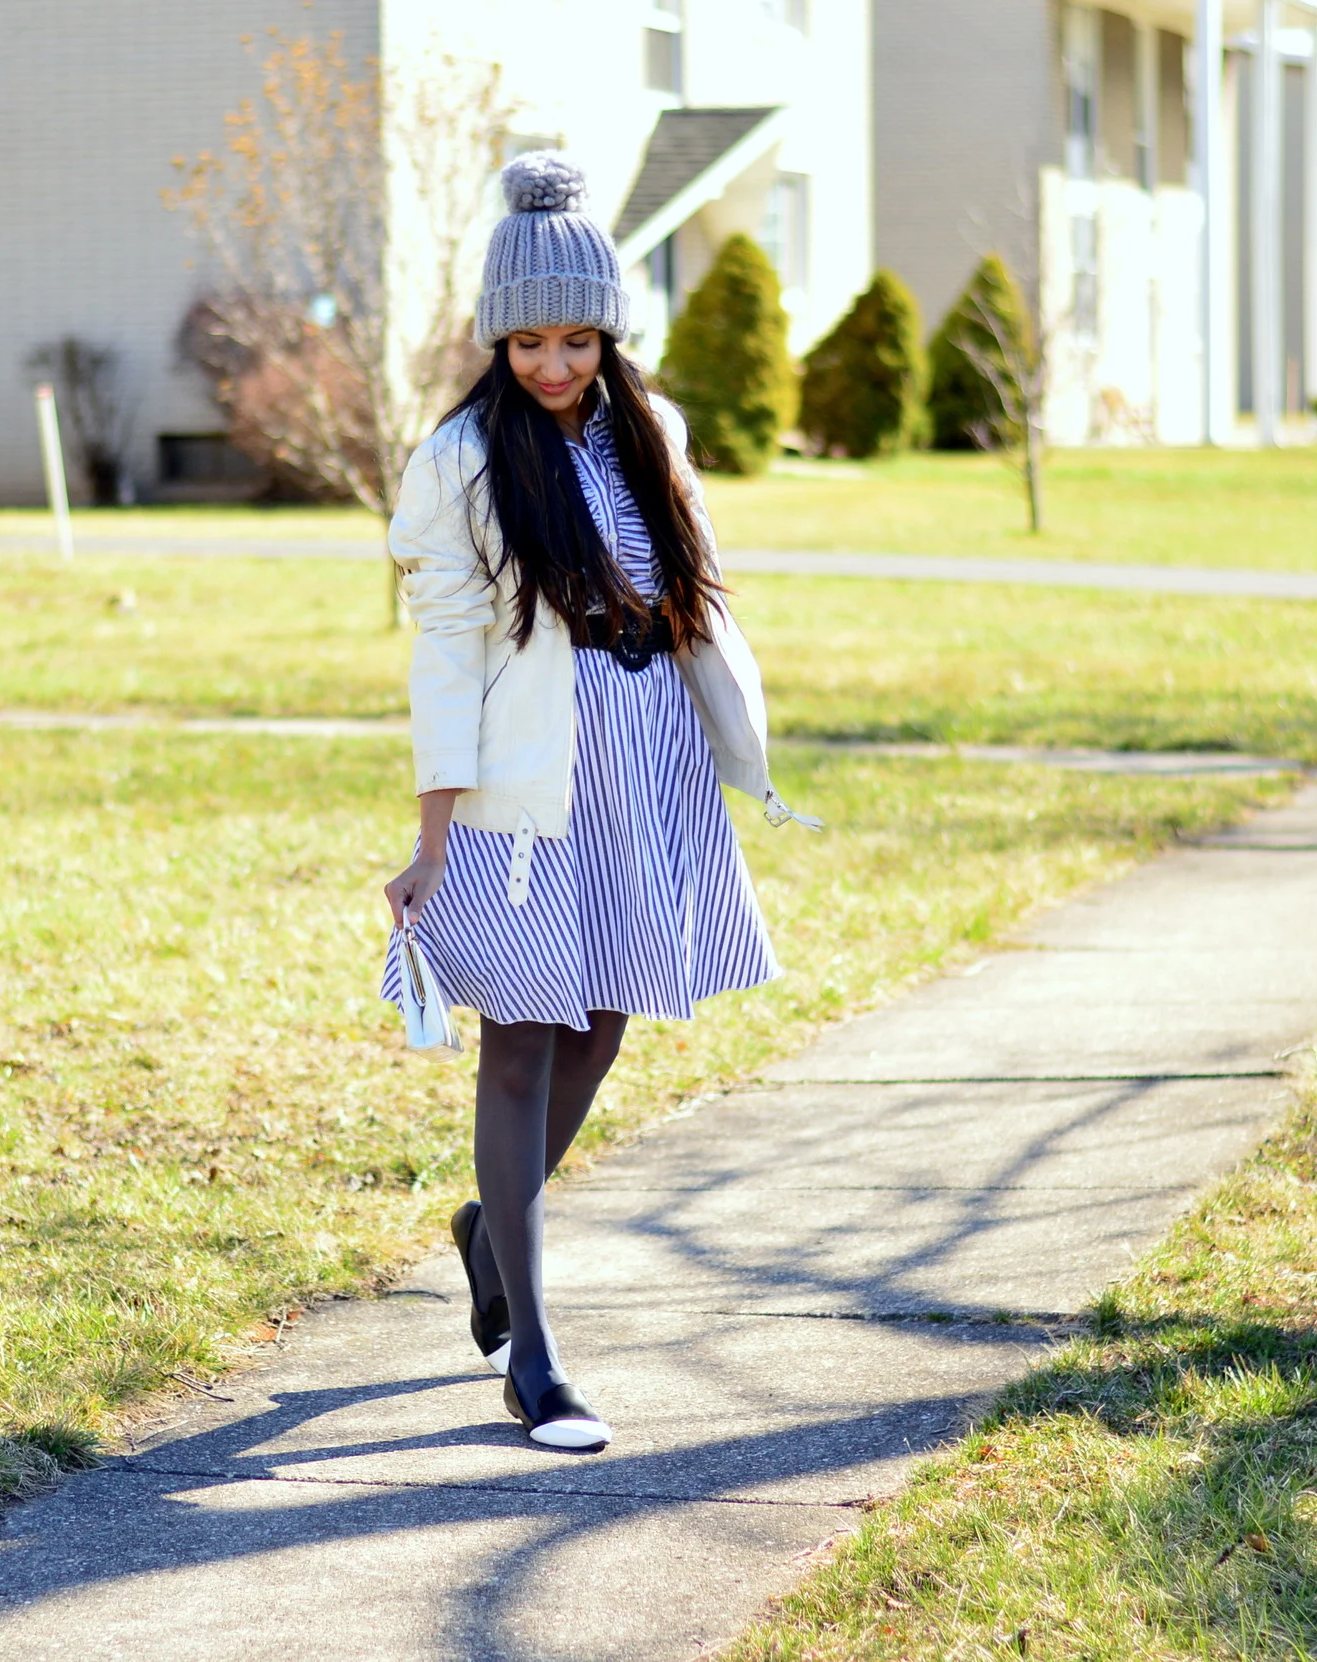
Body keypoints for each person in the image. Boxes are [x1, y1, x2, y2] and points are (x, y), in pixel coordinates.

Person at [380, 152, 815, 1452]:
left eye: (577, 338)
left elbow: (700, 594)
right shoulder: (459, 462)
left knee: (606, 1019)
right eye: (529, 340)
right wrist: (432, 835)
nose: (555, 364)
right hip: (529, 783)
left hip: (650, 762)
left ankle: (488, 1236)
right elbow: (447, 657)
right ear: (495, 335)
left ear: (609, 335)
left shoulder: (654, 432)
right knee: (521, 1039)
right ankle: (536, 1359)